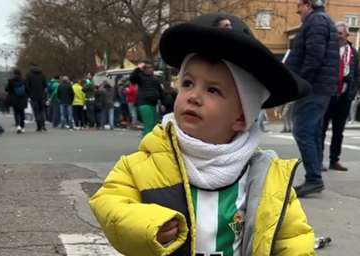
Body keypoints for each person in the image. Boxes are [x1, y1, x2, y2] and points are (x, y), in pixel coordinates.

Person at [90, 13, 314, 256]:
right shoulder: (143, 164)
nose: (193, 96)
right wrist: (146, 224)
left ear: (240, 118)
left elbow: (293, 239)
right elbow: (110, 203)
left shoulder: (267, 178)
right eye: (188, 83)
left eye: (213, 90)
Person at [286, 0, 340, 197]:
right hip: (322, 87)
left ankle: (314, 178)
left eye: (299, 6)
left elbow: (314, 56)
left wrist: (300, 82)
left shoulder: (316, 22)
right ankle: (315, 176)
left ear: (308, 5)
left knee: (303, 130)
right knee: (314, 132)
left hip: (314, 88)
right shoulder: (324, 21)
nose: (297, 10)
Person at [321, 21, 359, 172]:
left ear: (346, 35)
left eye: (340, 33)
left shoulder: (353, 52)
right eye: (335, 33)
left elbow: (356, 75)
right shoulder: (328, 50)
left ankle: (334, 160)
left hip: (344, 96)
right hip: (328, 95)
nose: (337, 36)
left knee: (338, 130)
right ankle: (318, 160)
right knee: (321, 129)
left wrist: (351, 93)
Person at [130, 59, 165, 138]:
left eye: (150, 67)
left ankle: (147, 141)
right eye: (146, 68)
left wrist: (163, 103)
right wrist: (138, 68)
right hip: (143, 103)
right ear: (143, 69)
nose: (149, 69)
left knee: (152, 125)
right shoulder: (140, 77)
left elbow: (160, 91)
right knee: (149, 125)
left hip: (153, 103)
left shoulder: (155, 79)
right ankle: (146, 144)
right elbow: (132, 77)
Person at [5, 68, 28, 134]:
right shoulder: (24, 80)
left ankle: (18, 126)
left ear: (14, 73)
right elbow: (27, 89)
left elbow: (6, 89)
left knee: (16, 112)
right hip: (22, 98)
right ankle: (23, 127)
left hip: (14, 99)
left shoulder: (11, 81)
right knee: (22, 112)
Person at [26, 63, 48, 131]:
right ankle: (43, 124)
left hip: (33, 96)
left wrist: (29, 93)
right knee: (42, 110)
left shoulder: (29, 75)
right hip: (42, 95)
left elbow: (27, 85)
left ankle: (39, 125)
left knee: (36, 111)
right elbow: (45, 84)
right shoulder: (42, 74)